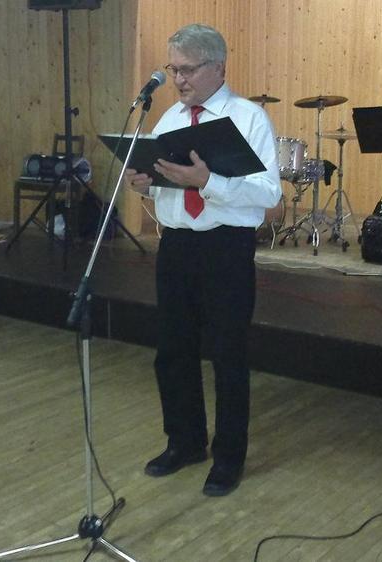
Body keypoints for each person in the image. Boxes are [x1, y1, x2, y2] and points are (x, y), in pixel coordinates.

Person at [125, 24, 281, 497]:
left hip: (225, 248)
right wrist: (147, 184)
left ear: (218, 67)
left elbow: (268, 194)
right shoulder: (169, 118)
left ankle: (228, 456)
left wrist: (206, 181)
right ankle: (185, 442)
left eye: (188, 69)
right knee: (172, 350)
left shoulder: (248, 118)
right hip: (177, 245)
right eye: (173, 69)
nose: (179, 79)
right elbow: (167, 187)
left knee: (228, 354)